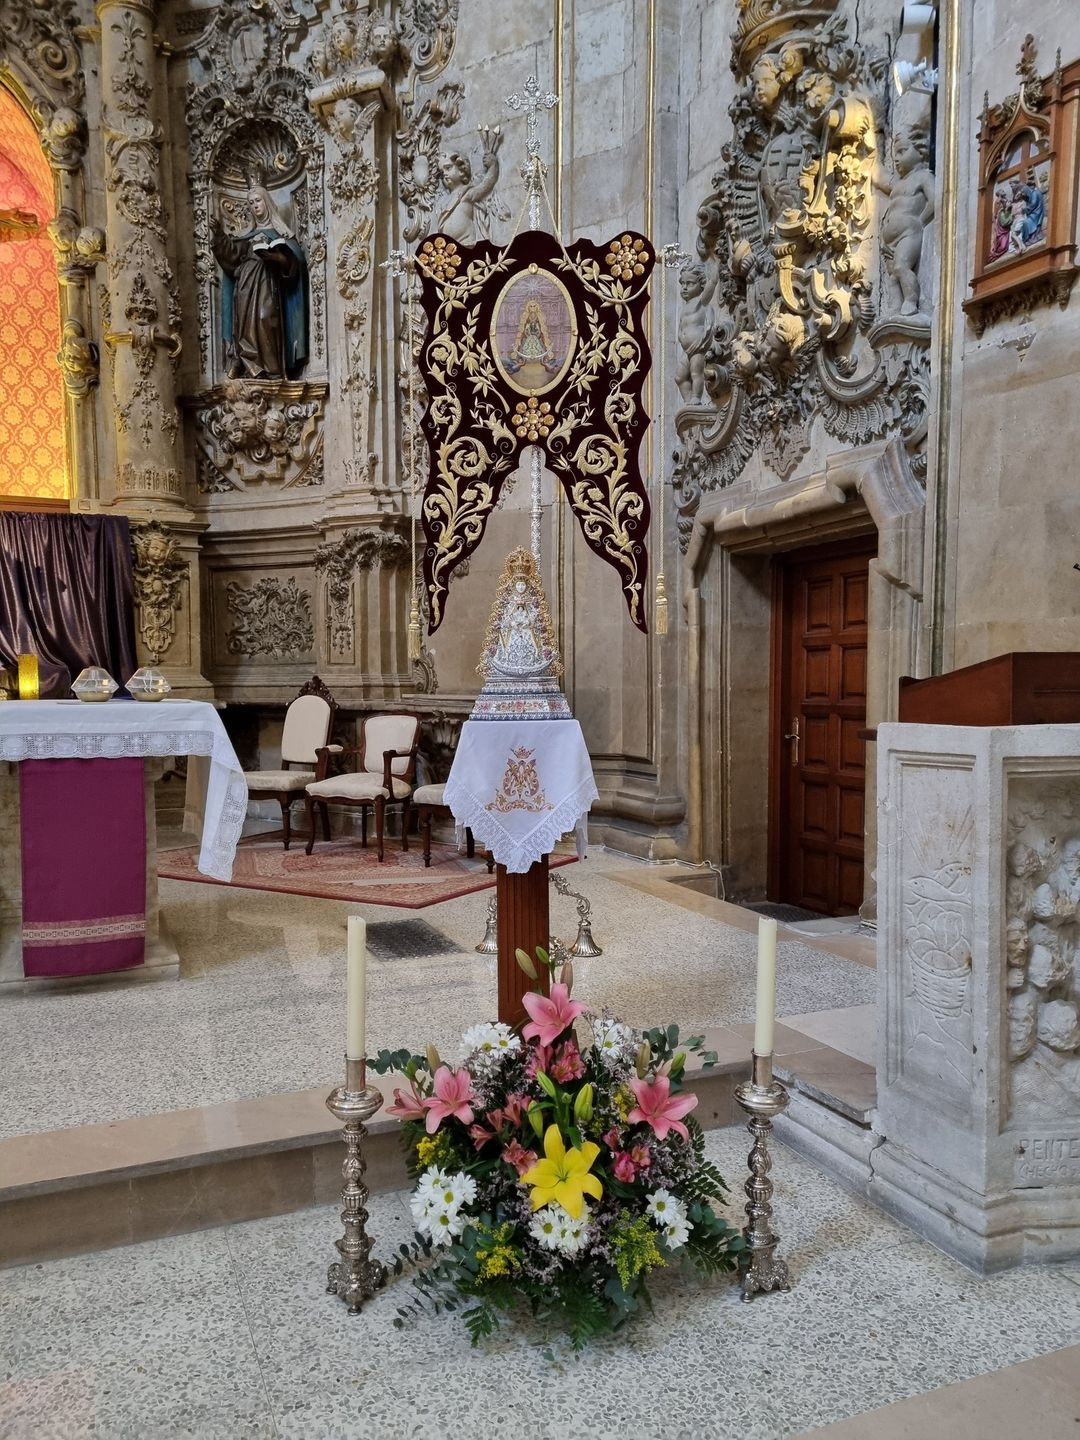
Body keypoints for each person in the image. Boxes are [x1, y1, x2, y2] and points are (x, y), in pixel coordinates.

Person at [211, 184, 309, 380]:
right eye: (251, 203)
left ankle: (272, 370)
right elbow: (231, 257)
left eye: (258, 201)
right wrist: (220, 236)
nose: (255, 205)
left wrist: (279, 259)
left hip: (268, 284)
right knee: (245, 326)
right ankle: (249, 367)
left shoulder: (283, 236)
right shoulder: (246, 237)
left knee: (266, 318)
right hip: (245, 285)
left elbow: (295, 266)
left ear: (267, 202)